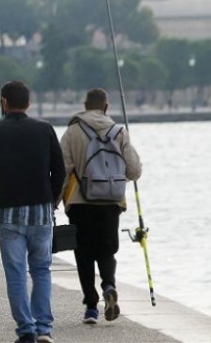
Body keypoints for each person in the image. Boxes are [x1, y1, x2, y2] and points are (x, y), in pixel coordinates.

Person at [0, 81, 66, 343]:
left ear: (4, 102)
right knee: (41, 270)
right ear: (28, 103)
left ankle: (26, 330)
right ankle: (44, 328)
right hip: (40, 211)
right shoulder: (44, 129)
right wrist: (51, 200)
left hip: (8, 213)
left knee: (16, 272)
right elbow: (59, 170)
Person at [58, 88, 142, 324]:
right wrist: (113, 180)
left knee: (83, 253)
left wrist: (54, 201)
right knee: (107, 250)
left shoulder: (73, 131)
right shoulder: (119, 131)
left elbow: (62, 169)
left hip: (79, 203)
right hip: (111, 202)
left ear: (85, 106)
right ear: (106, 107)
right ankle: (108, 285)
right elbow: (134, 170)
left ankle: (91, 308)